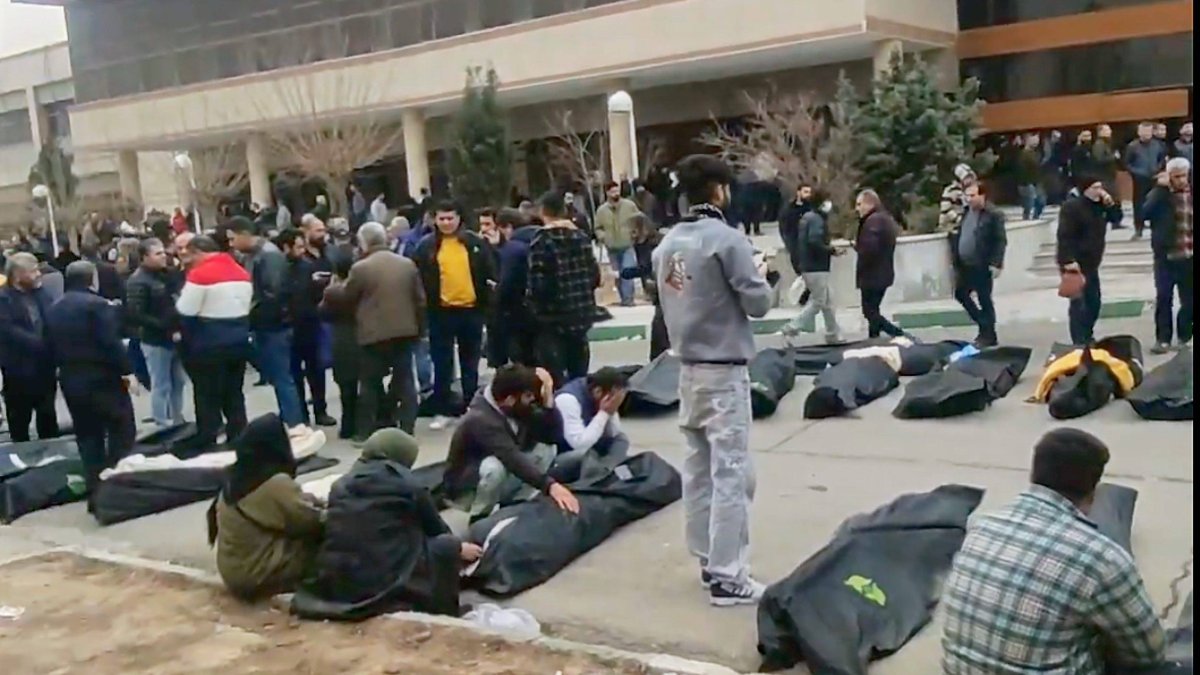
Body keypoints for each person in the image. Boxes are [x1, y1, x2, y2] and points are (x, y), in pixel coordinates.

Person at [941, 428, 1166, 673]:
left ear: (1035, 472)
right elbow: (1148, 651)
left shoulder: (980, 525)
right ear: (1094, 489)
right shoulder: (1101, 559)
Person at [653, 154, 772, 606]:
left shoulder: (667, 246)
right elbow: (757, 304)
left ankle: (707, 558)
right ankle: (728, 576)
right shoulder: (727, 240)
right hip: (724, 370)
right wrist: (765, 274)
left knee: (699, 469)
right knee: (732, 473)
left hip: (687, 368)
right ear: (720, 190)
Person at [297, 428, 480, 619]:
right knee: (446, 546)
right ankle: (444, 611)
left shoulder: (340, 485)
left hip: (339, 579)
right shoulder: (407, 485)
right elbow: (437, 530)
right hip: (382, 581)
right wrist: (460, 548)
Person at [207, 413, 325, 600]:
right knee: (335, 544)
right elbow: (311, 521)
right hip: (256, 575)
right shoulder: (274, 483)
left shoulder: (237, 478)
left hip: (234, 571)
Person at [46, 260, 138, 499]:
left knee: (87, 435)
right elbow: (110, 342)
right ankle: (119, 480)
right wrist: (127, 371)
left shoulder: (54, 308)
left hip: (71, 378)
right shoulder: (97, 305)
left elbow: (47, 345)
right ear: (92, 279)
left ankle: (94, 485)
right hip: (102, 376)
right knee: (121, 427)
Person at [323, 222, 424, 439]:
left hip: (373, 334)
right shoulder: (406, 264)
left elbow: (347, 297)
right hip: (405, 331)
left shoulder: (361, 268)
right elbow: (420, 300)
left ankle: (365, 432)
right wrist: (419, 330)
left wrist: (332, 288)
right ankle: (407, 427)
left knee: (370, 383)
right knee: (405, 380)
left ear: (363, 242)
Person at [443, 364, 579, 520]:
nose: (532, 399)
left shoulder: (516, 404)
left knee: (546, 449)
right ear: (510, 400)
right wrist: (550, 486)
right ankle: (479, 516)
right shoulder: (481, 418)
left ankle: (516, 505)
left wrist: (548, 402)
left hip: (505, 468)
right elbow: (511, 457)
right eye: (528, 396)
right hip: (468, 485)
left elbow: (553, 437)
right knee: (495, 467)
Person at [410, 201, 494, 430]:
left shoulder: (474, 243)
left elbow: (489, 271)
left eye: (450, 218)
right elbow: (416, 277)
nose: (446, 223)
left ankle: (471, 407)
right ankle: (443, 409)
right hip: (441, 313)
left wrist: (486, 303)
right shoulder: (426, 247)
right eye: (442, 218)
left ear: (459, 218)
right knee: (442, 363)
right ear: (435, 220)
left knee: (471, 362)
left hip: (471, 311)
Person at [227, 217, 312, 438]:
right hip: (265, 324)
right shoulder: (254, 255)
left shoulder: (269, 255)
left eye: (233, 238)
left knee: (283, 377)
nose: (231, 243)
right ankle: (291, 420)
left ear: (245, 233)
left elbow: (272, 294)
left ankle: (295, 424)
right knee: (279, 376)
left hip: (274, 326)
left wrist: (250, 313)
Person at [175, 235, 252, 449]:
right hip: (238, 340)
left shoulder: (201, 275)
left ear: (199, 252)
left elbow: (185, 309)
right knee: (234, 393)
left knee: (207, 394)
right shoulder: (241, 272)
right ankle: (238, 436)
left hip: (208, 343)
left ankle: (208, 438)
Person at [528, 191, 601, 386]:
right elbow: (594, 274)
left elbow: (538, 281)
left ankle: (559, 407)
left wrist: (535, 306)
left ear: (543, 212)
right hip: (580, 311)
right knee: (579, 368)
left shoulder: (542, 239)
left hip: (553, 316)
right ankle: (579, 403)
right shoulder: (581, 237)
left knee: (554, 371)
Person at [125, 238, 188, 428]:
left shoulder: (166, 275)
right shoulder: (138, 281)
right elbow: (136, 314)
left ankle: (178, 419)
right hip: (155, 339)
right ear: (145, 257)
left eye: (163, 252)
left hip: (175, 337)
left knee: (179, 382)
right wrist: (164, 326)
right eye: (157, 253)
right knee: (161, 384)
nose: (163, 256)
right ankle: (162, 422)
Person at [276, 229, 336, 427]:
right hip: (289, 327)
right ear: (286, 247)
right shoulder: (280, 269)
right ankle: (300, 413)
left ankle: (321, 410)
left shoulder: (308, 267)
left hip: (310, 325)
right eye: (298, 246)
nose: (302, 251)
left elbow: (317, 294)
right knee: (294, 373)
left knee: (316, 370)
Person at [1056, 175, 1123, 346]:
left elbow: (1116, 218)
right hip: (1075, 262)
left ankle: (1088, 333)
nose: (1099, 191)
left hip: (1092, 262)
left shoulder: (1100, 207)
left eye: (1100, 187)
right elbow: (1064, 235)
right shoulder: (1072, 207)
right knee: (1079, 303)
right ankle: (1079, 339)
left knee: (1094, 302)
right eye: (1095, 187)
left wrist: (1111, 204)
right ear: (1085, 190)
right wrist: (1068, 259)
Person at [0, 252, 59, 442]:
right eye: (32, 272)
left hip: (45, 368)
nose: (38, 275)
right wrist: (40, 344)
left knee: (48, 417)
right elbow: (8, 330)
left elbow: (52, 317)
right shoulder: (4, 299)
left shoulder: (42, 294)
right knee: (20, 419)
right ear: (18, 275)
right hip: (19, 370)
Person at [1143, 157, 1193, 354]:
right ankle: (1163, 339)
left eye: (1184, 176)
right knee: (1164, 298)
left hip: (1189, 255)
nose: (1181, 180)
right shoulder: (1161, 195)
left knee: (1189, 301)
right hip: (1166, 257)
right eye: (1176, 176)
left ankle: (1185, 336)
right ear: (1169, 177)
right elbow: (1145, 213)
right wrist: (1160, 189)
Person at [949, 183, 1007, 347]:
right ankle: (984, 325)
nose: (969, 199)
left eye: (973, 195)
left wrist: (996, 263)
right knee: (961, 294)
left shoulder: (993, 214)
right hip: (965, 264)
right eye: (967, 196)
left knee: (984, 299)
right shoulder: (967, 212)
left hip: (982, 263)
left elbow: (1000, 240)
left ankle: (988, 333)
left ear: (982, 196)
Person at [552, 367, 631, 483]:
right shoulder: (568, 400)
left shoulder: (598, 397)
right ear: (598, 392)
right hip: (563, 457)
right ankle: (604, 476)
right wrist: (604, 413)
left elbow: (614, 433)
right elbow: (579, 444)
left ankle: (606, 472)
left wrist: (612, 412)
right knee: (586, 455)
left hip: (592, 451)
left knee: (621, 439)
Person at [782, 193, 841, 343]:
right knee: (819, 301)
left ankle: (832, 333)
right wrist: (831, 250)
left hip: (809, 265)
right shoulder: (816, 220)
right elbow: (814, 241)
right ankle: (792, 327)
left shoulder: (807, 218)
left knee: (827, 301)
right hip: (817, 267)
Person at [318, 254, 361, 440]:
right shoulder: (361, 289)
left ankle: (348, 425)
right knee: (367, 383)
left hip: (341, 339)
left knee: (346, 386)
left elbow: (322, 312)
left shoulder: (333, 293)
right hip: (362, 335)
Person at [491, 207, 540, 366]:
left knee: (520, 358)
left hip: (515, 312)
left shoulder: (512, 248)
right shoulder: (540, 239)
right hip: (543, 309)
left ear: (507, 227)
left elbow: (507, 283)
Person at [854, 189, 905, 339]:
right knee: (873, 310)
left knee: (869, 311)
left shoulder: (874, 221)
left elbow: (871, 248)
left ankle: (897, 333)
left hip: (873, 274)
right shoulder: (882, 218)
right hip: (880, 272)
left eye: (859, 204)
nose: (857, 209)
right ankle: (874, 338)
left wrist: (860, 249)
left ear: (869, 204)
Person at [626, 212, 669, 359]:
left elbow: (648, 266)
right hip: (660, 291)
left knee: (661, 332)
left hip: (666, 290)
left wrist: (624, 273)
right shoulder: (642, 245)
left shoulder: (653, 244)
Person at [593, 181, 641, 306]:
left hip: (627, 244)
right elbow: (597, 228)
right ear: (607, 193)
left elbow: (639, 220)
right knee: (617, 274)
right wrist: (603, 237)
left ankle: (628, 299)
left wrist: (635, 233)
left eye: (617, 190)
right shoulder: (601, 211)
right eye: (613, 191)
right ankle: (623, 297)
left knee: (627, 271)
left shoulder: (629, 206)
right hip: (611, 247)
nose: (616, 193)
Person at [1126, 121, 1168, 239]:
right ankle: (1139, 228)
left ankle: (1157, 228)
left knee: (1157, 203)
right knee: (1139, 204)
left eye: (1148, 131)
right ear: (1139, 132)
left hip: (1155, 178)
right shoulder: (1132, 146)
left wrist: (1159, 170)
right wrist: (1137, 173)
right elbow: (1127, 164)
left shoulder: (1159, 145)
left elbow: (1162, 159)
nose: (1146, 134)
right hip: (1140, 179)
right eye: (1143, 131)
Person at [778, 184, 814, 277]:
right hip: (795, 242)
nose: (808, 195)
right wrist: (788, 242)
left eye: (809, 192)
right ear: (798, 192)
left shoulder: (812, 208)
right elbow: (783, 225)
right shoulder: (789, 209)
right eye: (805, 192)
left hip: (809, 244)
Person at [1016, 133, 1046, 220]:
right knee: (1029, 202)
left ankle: (1035, 217)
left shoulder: (1036, 153)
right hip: (1027, 182)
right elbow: (1021, 170)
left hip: (1036, 181)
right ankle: (1027, 218)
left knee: (1041, 201)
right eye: (1034, 138)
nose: (1036, 141)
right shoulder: (1022, 154)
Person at [938, 164, 977, 231]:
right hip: (951, 227)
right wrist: (960, 220)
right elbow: (946, 210)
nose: (970, 180)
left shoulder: (970, 190)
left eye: (970, 177)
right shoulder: (951, 191)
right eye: (967, 178)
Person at [1093, 124, 1122, 210]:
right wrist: (1114, 157)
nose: (1110, 132)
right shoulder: (1099, 144)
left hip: (1110, 176)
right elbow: (1099, 159)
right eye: (1107, 130)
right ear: (1101, 132)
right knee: (1111, 198)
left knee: (1115, 198)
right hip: (1104, 177)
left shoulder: (1107, 144)